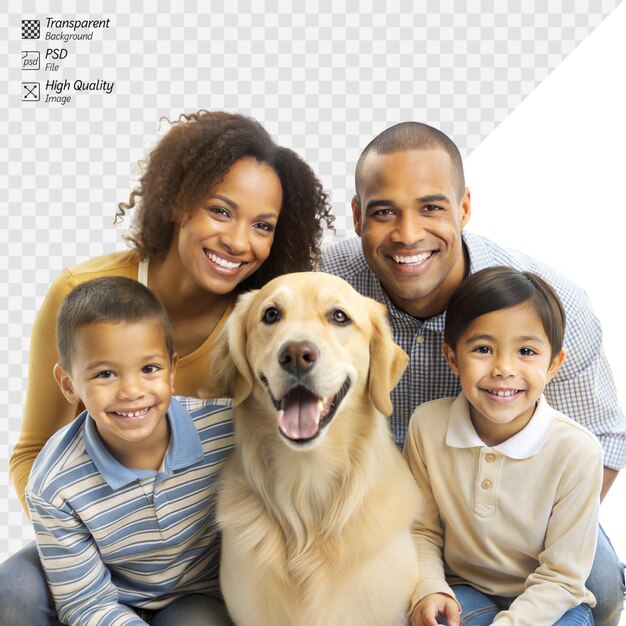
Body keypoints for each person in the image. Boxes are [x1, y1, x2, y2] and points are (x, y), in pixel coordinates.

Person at [1, 110, 333, 626]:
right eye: (221, 211)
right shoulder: (81, 297)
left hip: (198, 564)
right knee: (14, 593)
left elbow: (281, 453)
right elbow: (31, 450)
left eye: (262, 226)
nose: (240, 242)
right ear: (181, 201)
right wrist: (86, 553)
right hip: (96, 539)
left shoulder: (260, 323)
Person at [320, 121, 625, 626]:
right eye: (384, 212)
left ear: (464, 208)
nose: (408, 233)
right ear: (356, 216)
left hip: (524, 515)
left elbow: (603, 440)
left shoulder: (549, 308)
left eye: (432, 207)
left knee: (599, 583)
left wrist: (522, 539)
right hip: (394, 512)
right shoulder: (326, 287)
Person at [27, 276, 234, 625]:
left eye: (149, 369)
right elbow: (86, 604)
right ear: (69, 384)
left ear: (171, 372)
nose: (131, 391)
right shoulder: (54, 484)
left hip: (196, 595)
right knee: (13, 591)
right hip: (109, 594)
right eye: (106, 374)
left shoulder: (226, 430)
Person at [404, 266, 602, 626]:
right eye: (483, 349)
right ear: (452, 358)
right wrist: (430, 586)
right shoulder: (427, 426)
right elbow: (421, 529)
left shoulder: (577, 451)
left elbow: (562, 576)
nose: (504, 368)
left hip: (553, 599)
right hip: (464, 587)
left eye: (526, 351)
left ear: (554, 364)